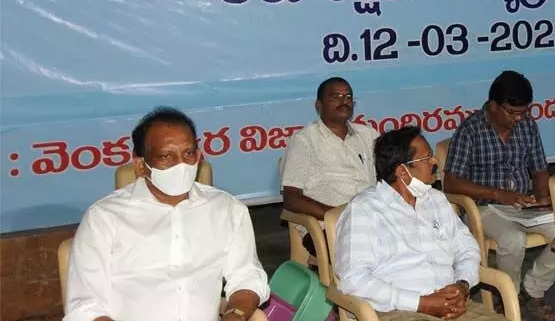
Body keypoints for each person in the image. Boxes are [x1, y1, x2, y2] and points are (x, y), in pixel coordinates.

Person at [64, 107, 269, 321]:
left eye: (188, 153)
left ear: (199, 156)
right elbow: (86, 308)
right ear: (141, 165)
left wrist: (235, 314)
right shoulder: (104, 218)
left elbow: (247, 277)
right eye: (166, 156)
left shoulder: (227, 209)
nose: (181, 165)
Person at [335, 126, 505, 321]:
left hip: (452, 306)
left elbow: (467, 248)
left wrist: (462, 285)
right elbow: (353, 280)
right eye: (426, 158)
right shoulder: (364, 210)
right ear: (403, 172)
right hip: (398, 311)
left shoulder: (436, 200)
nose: (434, 162)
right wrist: (421, 303)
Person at [443, 71, 555, 321]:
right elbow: (450, 182)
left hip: (523, 204)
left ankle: (533, 288)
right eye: (512, 112)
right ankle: (510, 296)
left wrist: (541, 198)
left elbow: (539, 170)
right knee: (512, 239)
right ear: (493, 106)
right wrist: (497, 193)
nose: (519, 118)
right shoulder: (470, 130)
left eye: (524, 112)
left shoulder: (528, 126)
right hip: (486, 208)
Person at [282, 76, 377, 253]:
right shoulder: (304, 140)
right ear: (319, 106)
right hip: (329, 225)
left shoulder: (369, 135)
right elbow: (291, 198)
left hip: (372, 219)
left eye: (348, 97)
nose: (344, 102)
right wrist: (339, 216)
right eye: (336, 97)